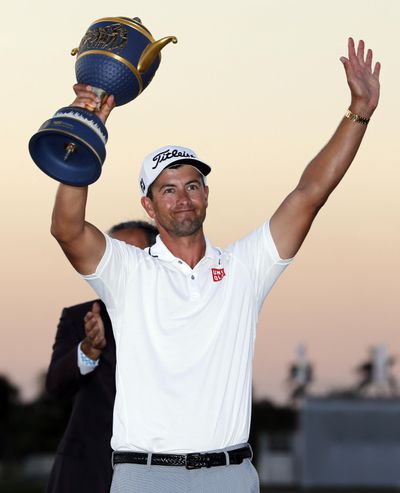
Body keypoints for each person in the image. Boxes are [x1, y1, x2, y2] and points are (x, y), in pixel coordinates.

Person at [48, 38, 380, 492]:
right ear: (148, 204)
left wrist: (359, 111)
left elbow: (309, 194)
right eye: (168, 189)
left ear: (206, 195)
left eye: (193, 185)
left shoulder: (244, 268)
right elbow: (67, 228)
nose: (182, 198)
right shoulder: (129, 271)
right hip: (143, 475)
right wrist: (84, 131)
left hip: (230, 475)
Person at [45, 221, 158, 493]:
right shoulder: (79, 318)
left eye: (131, 255)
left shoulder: (182, 321)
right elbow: (56, 386)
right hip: (85, 475)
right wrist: (88, 350)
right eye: (112, 256)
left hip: (158, 476)